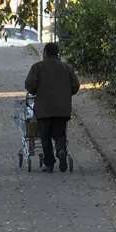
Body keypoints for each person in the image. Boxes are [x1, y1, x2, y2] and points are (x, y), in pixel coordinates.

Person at [24, 42, 80, 172]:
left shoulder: (37, 67)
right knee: (60, 134)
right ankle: (61, 150)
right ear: (57, 54)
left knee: (45, 136)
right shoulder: (67, 68)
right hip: (62, 109)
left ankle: (49, 163)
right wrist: (66, 94)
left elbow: (30, 85)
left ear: (45, 53)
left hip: (44, 109)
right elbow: (75, 86)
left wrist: (34, 91)